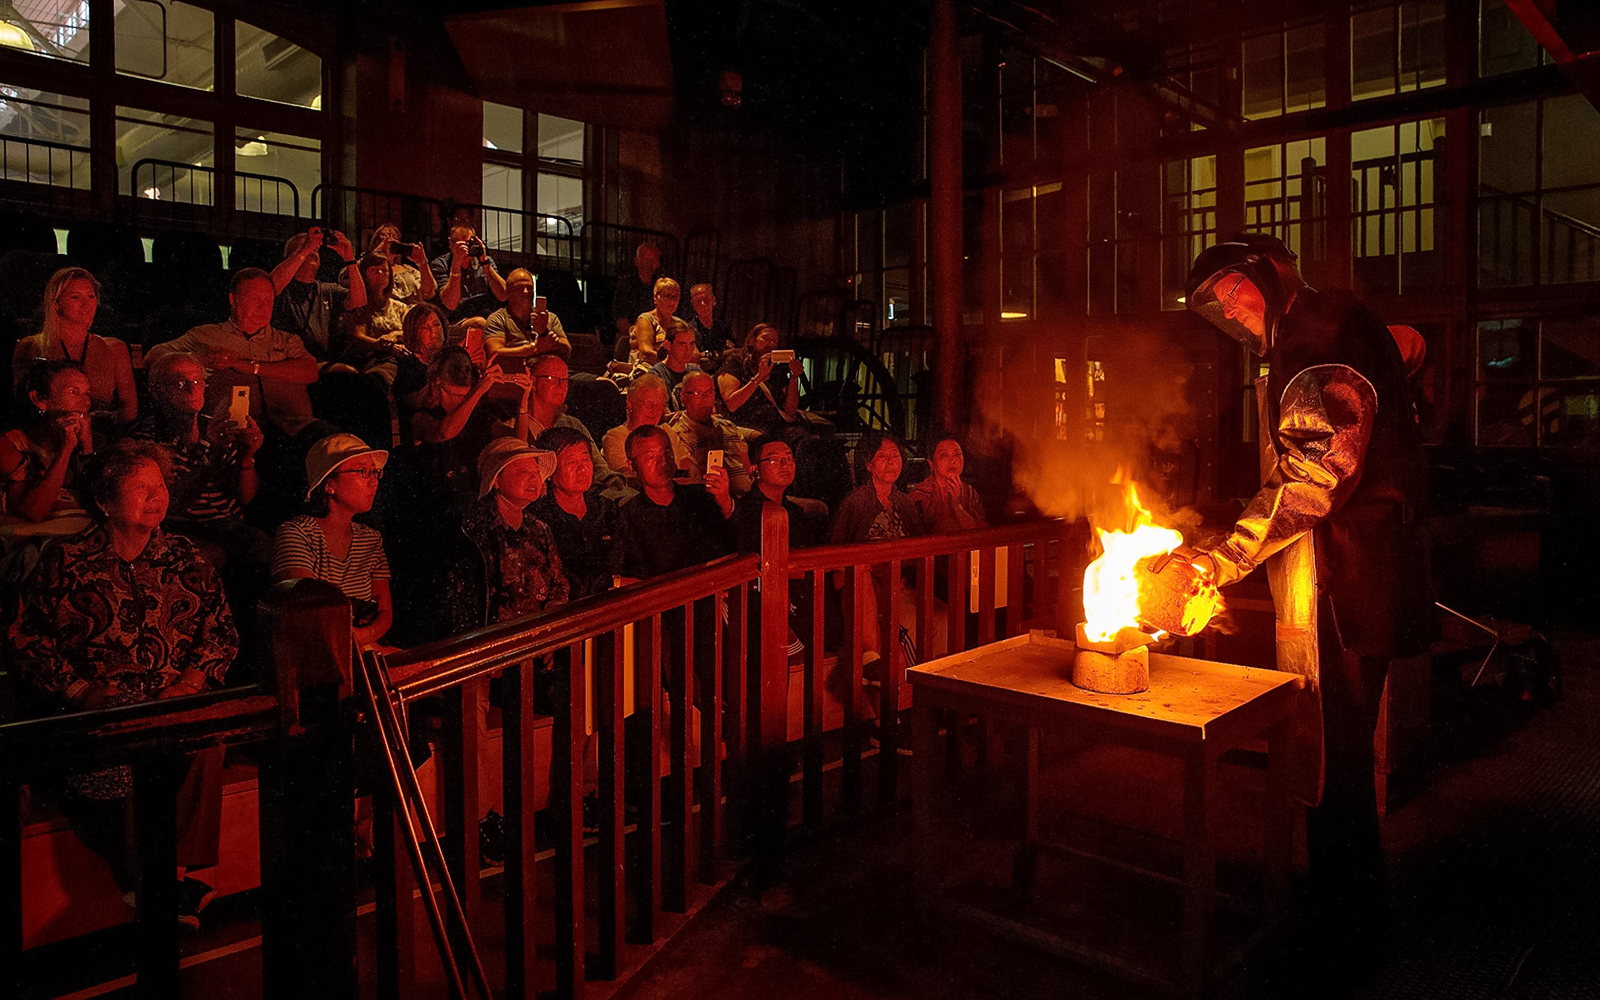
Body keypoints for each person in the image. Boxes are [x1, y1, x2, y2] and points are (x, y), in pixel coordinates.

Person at [1182, 232, 1430, 971]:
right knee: (1340, 758)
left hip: (1346, 579)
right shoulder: (1322, 325)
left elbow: (1315, 472)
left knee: (1340, 760)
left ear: (1267, 273)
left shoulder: (1319, 331)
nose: (1229, 306)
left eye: (1234, 287)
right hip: (1356, 572)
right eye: (1218, 300)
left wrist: (1223, 559)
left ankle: (1344, 935)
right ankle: (1345, 911)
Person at [10, 440, 237, 926]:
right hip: (102, 712)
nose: (156, 498)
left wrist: (192, 681)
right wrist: (80, 691)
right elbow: (24, 638)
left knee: (205, 738)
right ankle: (157, 887)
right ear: (105, 502)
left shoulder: (185, 556)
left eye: (160, 487)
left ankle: (166, 878)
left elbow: (220, 631)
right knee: (130, 748)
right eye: (141, 489)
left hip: (173, 702)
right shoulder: (66, 560)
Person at [127, 352, 269, 603]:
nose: (193, 389)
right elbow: (175, 502)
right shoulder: (146, 438)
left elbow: (246, 497)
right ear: (158, 391)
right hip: (183, 527)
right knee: (209, 555)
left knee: (265, 547)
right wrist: (211, 453)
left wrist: (247, 457)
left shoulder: (216, 426)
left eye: (198, 381)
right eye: (181, 384)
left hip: (229, 524)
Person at [148, 268, 320, 440]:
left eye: (268, 300)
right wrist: (197, 359)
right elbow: (154, 355)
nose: (263, 306)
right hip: (232, 431)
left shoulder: (287, 340)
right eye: (255, 299)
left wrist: (247, 366)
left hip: (293, 430)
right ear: (233, 299)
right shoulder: (205, 335)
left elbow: (310, 371)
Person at [830, 432, 944, 668]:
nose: (891, 460)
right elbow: (836, 558)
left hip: (902, 585)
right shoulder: (854, 504)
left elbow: (919, 549)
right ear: (869, 464)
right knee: (910, 620)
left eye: (895, 455)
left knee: (942, 615)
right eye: (882, 456)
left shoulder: (904, 503)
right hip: (868, 588)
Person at [271, 434, 394, 649]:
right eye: (363, 471)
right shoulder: (297, 534)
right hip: (317, 655)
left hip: (364, 648)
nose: (374, 481)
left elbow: (384, 611)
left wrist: (365, 637)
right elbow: (308, 611)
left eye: (375, 472)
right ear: (329, 484)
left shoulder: (370, 539)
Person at [444, 438, 568, 635]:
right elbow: (461, 604)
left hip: (535, 642)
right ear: (496, 481)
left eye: (536, 472)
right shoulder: (472, 528)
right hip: (491, 647)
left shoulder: (539, 529)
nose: (534, 478)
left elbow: (557, 582)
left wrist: (550, 625)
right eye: (523, 472)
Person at [12, 267, 137, 425]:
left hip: (103, 435)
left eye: (91, 296)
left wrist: (100, 423)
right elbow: (22, 405)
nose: (86, 304)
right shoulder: (32, 346)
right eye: (75, 297)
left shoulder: (115, 348)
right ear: (57, 303)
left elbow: (130, 408)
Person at [617, 424, 732, 580]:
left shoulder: (700, 497)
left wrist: (725, 503)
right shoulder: (627, 515)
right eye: (651, 456)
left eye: (667, 452)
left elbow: (732, 542)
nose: (662, 461)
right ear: (632, 466)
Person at [409, 348, 528, 500]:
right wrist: (479, 389)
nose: (463, 374)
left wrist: (524, 401)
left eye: (467, 368)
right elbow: (445, 432)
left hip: (476, 501)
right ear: (437, 377)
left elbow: (518, 443)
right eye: (455, 368)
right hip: (435, 502)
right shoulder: (422, 416)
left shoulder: (480, 417)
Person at [0, 361, 96, 547]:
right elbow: (32, 513)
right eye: (73, 392)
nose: (85, 402)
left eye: (87, 393)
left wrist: (87, 446)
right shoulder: (15, 446)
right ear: (39, 400)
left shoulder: (94, 445)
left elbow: (103, 505)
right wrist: (66, 450)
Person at [532, 425, 625, 600]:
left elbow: (628, 558)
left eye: (585, 459)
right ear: (549, 470)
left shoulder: (606, 507)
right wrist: (612, 583)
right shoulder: (539, 519)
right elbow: (559, 580)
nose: (582, 469)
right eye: (571, 462)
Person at [269, 228, 365, 363]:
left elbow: (359, 301)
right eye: (306, 247)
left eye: (316, 248)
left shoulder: (327, 290)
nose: (313, 251)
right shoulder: (283, 288)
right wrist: (304, 251)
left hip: (321, 361)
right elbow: (270, 288)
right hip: (290, 361)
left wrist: (349, 259)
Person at [524, 355, 615, 483]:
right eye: (552, 379)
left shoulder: (571, 424)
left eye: (565, 380)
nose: (561, 386)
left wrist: (613, 483)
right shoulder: (517, 425)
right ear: (533, 382)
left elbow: (599, 467)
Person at [664, 370, 753, 494]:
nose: (705, 398)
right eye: (698, 393)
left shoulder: (727, 426)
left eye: (709, 392)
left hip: (748, 498)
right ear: (683, 398)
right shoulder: (678, 435)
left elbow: (746, 465)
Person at [717, 322, 799, 435]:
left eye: (775, 341)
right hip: (745, 423)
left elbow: (790, 411)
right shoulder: (736, 361)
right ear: (752, 340)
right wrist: (758, 378)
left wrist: (794, 378)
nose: (771, 344)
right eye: (766, 338)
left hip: (776, 424)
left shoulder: (777, 369)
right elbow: (732, 404)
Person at [483, 269, 572, 371]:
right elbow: (495, 353)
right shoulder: (498, 319)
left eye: (529, 288)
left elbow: (566, 351)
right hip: (517, 377)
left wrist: (544, 332)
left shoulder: (549, 318)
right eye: (519, 288)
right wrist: (533, 348)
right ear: (508, 292)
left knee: (591, 383)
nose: (525, 292)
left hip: (553, 375)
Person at [601, 373, 683, 482]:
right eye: (648, 404)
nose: (654, 412)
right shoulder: (615, 438)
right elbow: (631, 479)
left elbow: (688, 465)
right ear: (630, 403)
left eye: (659, 406)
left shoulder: (667, 432)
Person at [908, 434, 987, 533]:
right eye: (944, 455)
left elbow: (981, 532)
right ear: (931, 464)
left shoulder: (969, 492)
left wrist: (957, 506)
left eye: (957, 454)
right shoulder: (920, 494)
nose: (953, 460)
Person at [431, 224, 507, 322]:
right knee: (480, 322)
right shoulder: (440, 265)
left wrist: (485, 263)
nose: (466, 249)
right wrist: (456, 266)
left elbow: (503, 295)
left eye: (469, 244)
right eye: (461, 245)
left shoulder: (486, 262)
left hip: (486, 315)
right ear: (451, 244)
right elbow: (450, 304)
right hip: (455, 320)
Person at [365, 224, 437, 304]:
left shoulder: (408, 269)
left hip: (415, 312)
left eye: (394, 237)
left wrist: (422, 262)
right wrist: (379, 253)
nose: (390, 240)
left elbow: (430, 292)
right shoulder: (372, 269)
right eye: (385, 236)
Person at [611, 242, 661, 343]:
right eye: (647, 260)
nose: (651, 265)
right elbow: (621, 322)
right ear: (637, 261)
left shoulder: (660, 285)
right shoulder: (625, 285)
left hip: (657, 338)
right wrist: (643, 335)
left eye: (654, 260)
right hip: (631, 338)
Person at [649, 317, 702, 407]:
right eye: (682, 344)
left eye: (692, 344)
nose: (688, 350)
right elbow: (662, 414)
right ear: (668, 345)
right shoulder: (656, 375)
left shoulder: (697, 373)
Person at [630, 277, 680, 365]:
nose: (672, 301)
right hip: (649, 371)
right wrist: (673, 361)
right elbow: (646, 353)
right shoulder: (645, 319)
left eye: (675, 297)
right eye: (667, 296)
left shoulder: (679, 323)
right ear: (656, 297)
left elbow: (694, 353)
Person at [685, 283, 735, 361]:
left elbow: (735, 350)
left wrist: (708, 354)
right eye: (698, 301)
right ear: (693, 305)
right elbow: (696, 358)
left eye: (706, 300)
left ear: (714, 301)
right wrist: (721, 354)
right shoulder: (689, 329)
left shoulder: (723, 327)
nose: (703, 304)